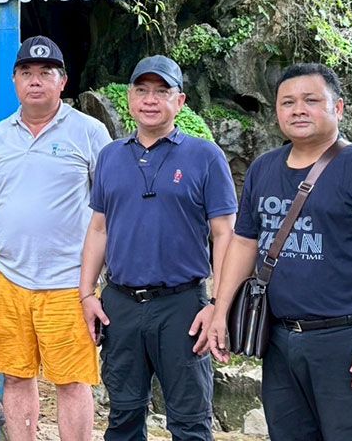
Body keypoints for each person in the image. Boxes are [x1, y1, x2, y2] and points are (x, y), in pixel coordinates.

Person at [207, 63, 352, 441]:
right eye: (287, 102)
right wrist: (220, 311)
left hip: (345, 341)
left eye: (311, 100)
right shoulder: (264, 168)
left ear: (338, 108)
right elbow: (244, 242)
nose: (298, 109)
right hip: (278, 339)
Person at [0, 36, 112, 441]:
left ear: (63, 81)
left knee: (73, 380)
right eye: (26, 72)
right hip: (8, 278)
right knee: (15, 376)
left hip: (70, 282)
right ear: (15, 81)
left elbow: (111, 205)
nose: (36, 81)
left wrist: (104, 274)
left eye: (46, 73)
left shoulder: (90, 133)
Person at [79, 55, 237, 441]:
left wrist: (219, 305)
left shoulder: (205, 156)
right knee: (123, 416)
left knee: (189, 420)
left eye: (162, 91)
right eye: (142, 90)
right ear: (130, 98)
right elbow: (98, 228)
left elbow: (225, 234)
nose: (150, 100)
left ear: (179, 101)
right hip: (120, 305)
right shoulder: (111, 156)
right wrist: (86, 294)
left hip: (183, 305)